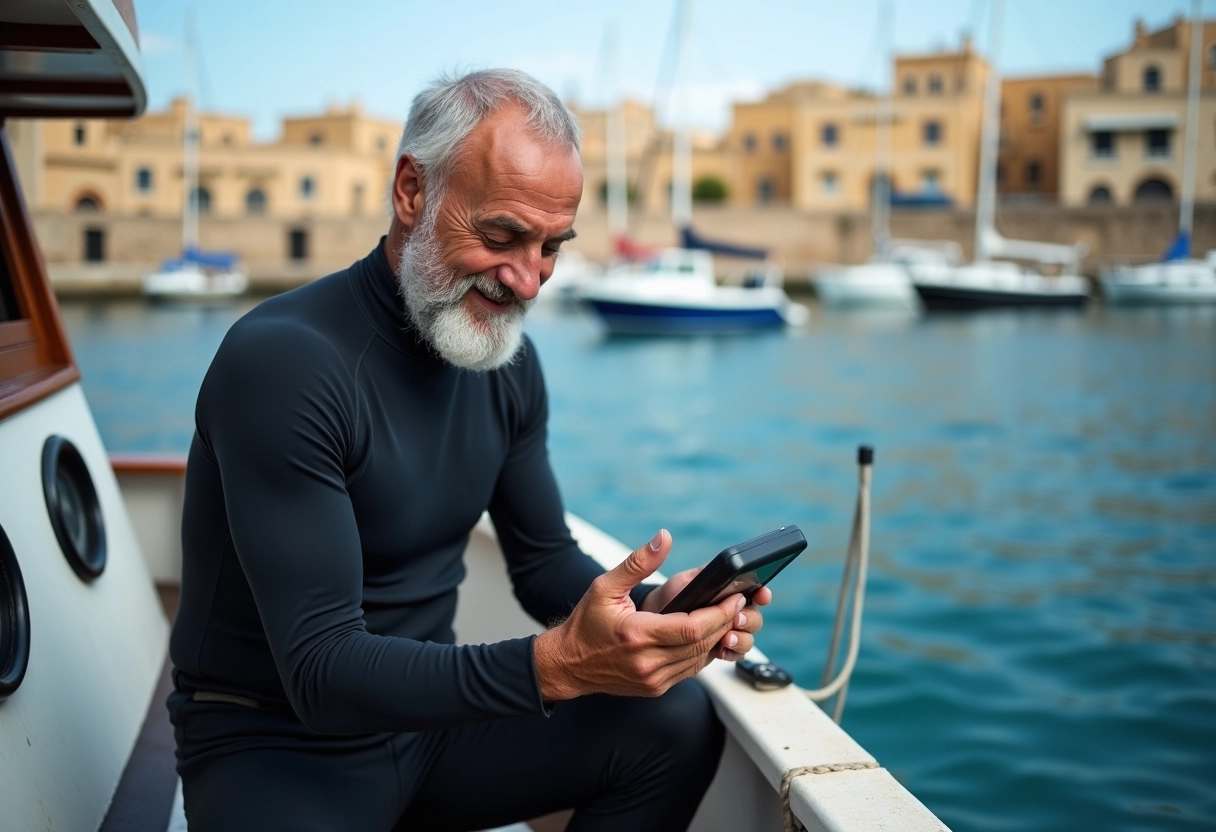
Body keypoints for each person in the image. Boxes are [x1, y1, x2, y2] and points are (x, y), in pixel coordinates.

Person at [167, 69, 771, 832]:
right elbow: (319, 670)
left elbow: (544, 559)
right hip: (274, 743)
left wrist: (650, 615)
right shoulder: (283, 364)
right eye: (501, 236)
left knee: (676, 723)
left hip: (425, 725)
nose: (527, 281)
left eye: (552, 246)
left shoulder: (505, 362)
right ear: (412, 191)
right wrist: (554, 666)